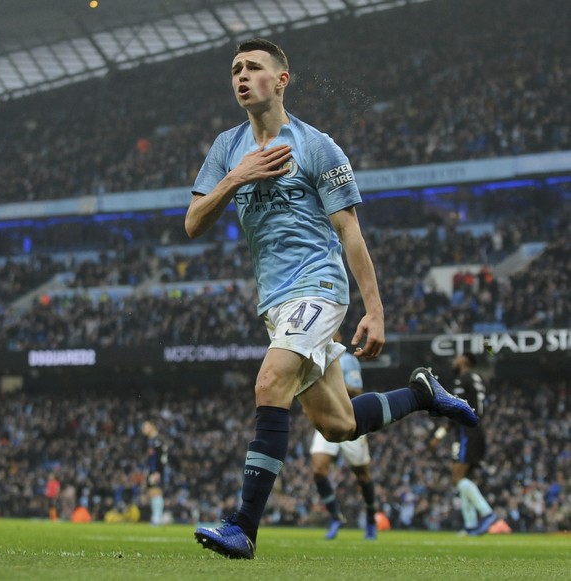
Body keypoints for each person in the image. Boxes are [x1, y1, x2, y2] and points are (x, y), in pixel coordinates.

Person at [186, 37, 477, 559]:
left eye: (253, 67)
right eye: (235, 69)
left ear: (281, 80)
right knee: (338, 424)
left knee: (270, 379)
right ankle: (423, 395)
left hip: (319, 287)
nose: (241, 76)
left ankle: (244, 526)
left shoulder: (317, 145)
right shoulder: (226, 148)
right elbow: (193, 222)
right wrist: (237, 176)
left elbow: (350, 232)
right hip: (275, 302)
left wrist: (376, 310)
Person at [310, 330, 377, 540]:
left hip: (349, 418)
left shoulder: (347, 360)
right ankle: (335, 517)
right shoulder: (314, 359)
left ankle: (371, 519)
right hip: (325, 418)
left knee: (362, 475)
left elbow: (357, 390)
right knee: (319, 470)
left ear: (337, 335)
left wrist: (331, 385)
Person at [429, 352, 496, 536]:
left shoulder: (463, 379)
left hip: (467, 432)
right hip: (476, 430)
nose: (454, 360)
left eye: (457, 357)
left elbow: (455, 409)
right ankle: (471, 526)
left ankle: (487, 513)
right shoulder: (478, 378)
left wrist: (438, 435)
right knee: (464, 479)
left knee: (457, 478)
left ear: (464, 361)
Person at [142, 420, 169, 526]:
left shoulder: (157, 440)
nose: (143, 429)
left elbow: (159, 457)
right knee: (152, 491)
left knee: (155, 491)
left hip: (156, 470)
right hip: (153, 469)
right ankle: (156, 517)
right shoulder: (152, 440)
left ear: (152, 427)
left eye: (145, 427)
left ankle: (157, 518)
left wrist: (157, 471)